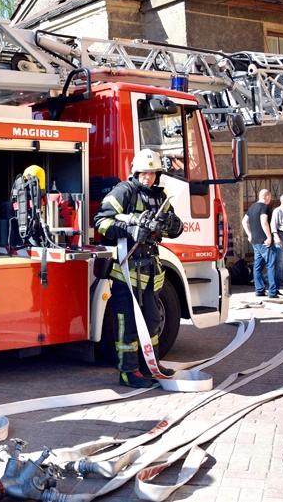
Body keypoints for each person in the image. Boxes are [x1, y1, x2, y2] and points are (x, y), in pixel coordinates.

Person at [94, 149, 183, 388]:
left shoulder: (160, 195)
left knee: (152, 321)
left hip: (150, 270)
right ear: (136, 172)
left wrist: (172, 225)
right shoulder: (124, 192)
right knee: (127, 324)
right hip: (126, 271)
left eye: (152, 173)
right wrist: (131, 230)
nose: (148, 178)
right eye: (144, 173)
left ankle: (149, 365)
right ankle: (128, 371)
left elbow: (172, 227)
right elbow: (101, 222)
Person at [242, 189, 283, 299]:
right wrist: (269, 237)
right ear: (268, 197)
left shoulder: (252, 207)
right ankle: (273, 291)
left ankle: (259, 290)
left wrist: (250, 235)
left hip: (255, 242)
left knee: (258, 266)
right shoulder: (264, 207)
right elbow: (264, 221)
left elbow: (244, 221)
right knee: (272, 264)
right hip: (265, 242)